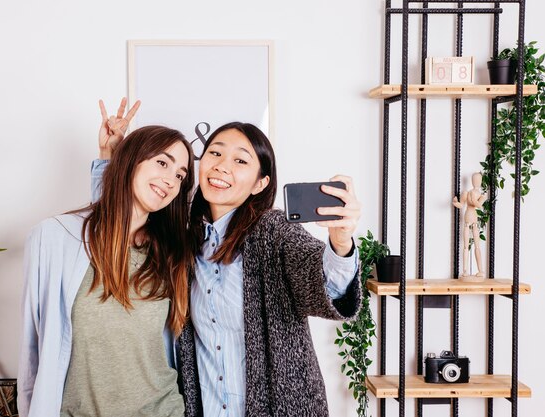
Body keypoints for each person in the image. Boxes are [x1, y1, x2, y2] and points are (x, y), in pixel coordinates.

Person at [93, 113, 362, 417]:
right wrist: (111, 160)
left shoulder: (274, 232)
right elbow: (117, 234)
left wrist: (341, 242)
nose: (222, 165)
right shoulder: (184, 241)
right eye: (216, 153)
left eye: (241, 161)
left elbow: (325, 283)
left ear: (260, 184)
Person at [18, 99, 195, 417]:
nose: (171, 180)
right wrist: (109, 157)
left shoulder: (170, 252)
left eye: (181, 175)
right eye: (162, 163)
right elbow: (32, 349)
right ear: (131, 161)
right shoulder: (55, 239)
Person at [452, 172, 487, 278]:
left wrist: (474, 200)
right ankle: (465, 270)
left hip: (474, 220)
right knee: (466, 246)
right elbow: (461, 205)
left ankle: (481, 270)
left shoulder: (481, 195)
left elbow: (479, 206)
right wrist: (455, 202)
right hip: (468, 218)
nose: (477, 182)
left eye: (478, 180)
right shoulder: (466, 193)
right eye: (475, 179)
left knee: (477, 245)